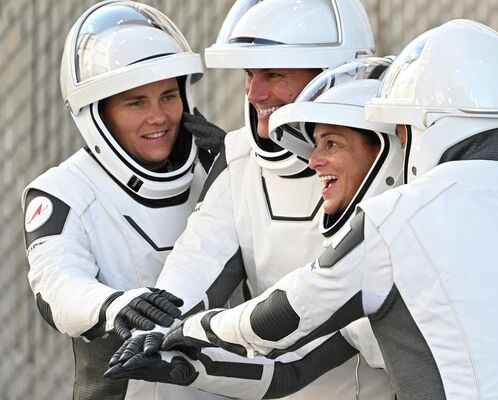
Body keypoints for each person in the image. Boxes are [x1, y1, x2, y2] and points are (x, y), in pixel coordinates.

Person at [132, 19, 498, 399]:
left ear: (423, 126)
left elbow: (280, 319)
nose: (314, 161)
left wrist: (189, 327)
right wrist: (185, 372)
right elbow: (289, 373)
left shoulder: (396, 220)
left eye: (400, 130)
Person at [107, 1, 396, 398]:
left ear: (332, 73)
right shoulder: (240, 156)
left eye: (274, 74)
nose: (254, 92)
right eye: (249, 74)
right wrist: (158, 324)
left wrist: (198, 329)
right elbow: (200, 257)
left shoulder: (389, 154)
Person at [22, 1, 226, 399]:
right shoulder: (62, 190)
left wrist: (243, 177)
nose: (159, 117)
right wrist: (115, 306)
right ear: (98, 114)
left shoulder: (217, 170)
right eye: (137, 102)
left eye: (169, 96)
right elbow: (57, 288)